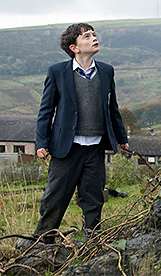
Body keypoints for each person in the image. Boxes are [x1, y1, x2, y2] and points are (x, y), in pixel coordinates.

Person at [20, 23, 129, 248]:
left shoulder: (107, 71)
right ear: (74, 47)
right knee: (55, 198)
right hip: (66, 148)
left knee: (93, 198)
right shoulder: (57, 72)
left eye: (94, 34)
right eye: (86, 36)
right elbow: (46, 110)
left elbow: (112, 108)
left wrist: (121, 138)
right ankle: (42, 243)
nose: (94, 38)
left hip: (96, 146)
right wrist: (41, 142)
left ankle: (92, 242)